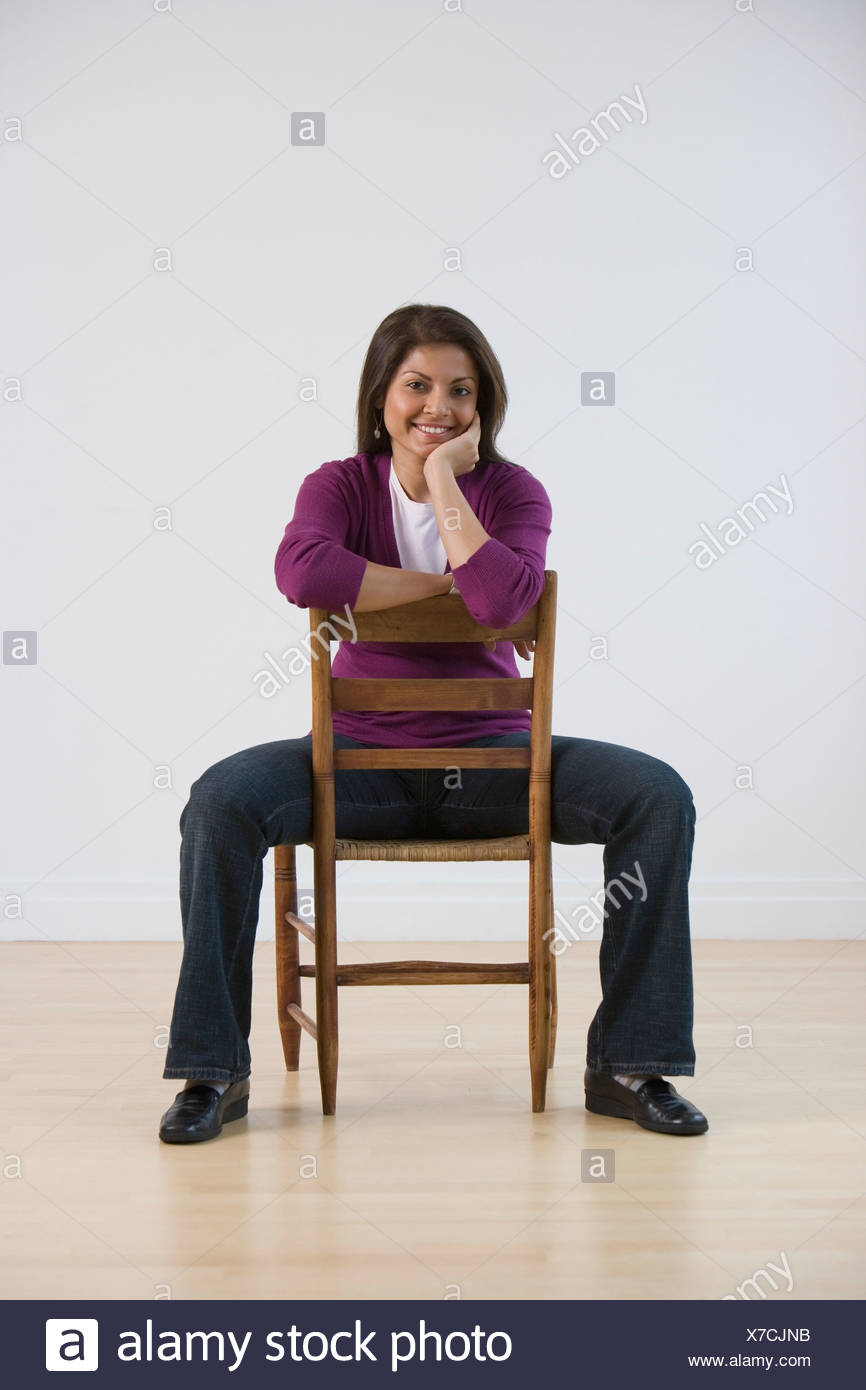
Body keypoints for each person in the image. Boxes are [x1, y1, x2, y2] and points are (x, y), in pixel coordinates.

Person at [158, 303, 708, 1144]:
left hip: (494, 768)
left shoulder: (513, 490)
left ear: (484, 404)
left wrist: (447, 484)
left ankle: (632, 1065)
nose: (436, 408)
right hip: (357, 769)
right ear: (382, 393)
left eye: (460, 389)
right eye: (416, 386)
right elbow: (302, 571)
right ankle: (211, 1073)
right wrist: (439, 584)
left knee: (657, 797)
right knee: (219, 802)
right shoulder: (338, 485)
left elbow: (497, 601)